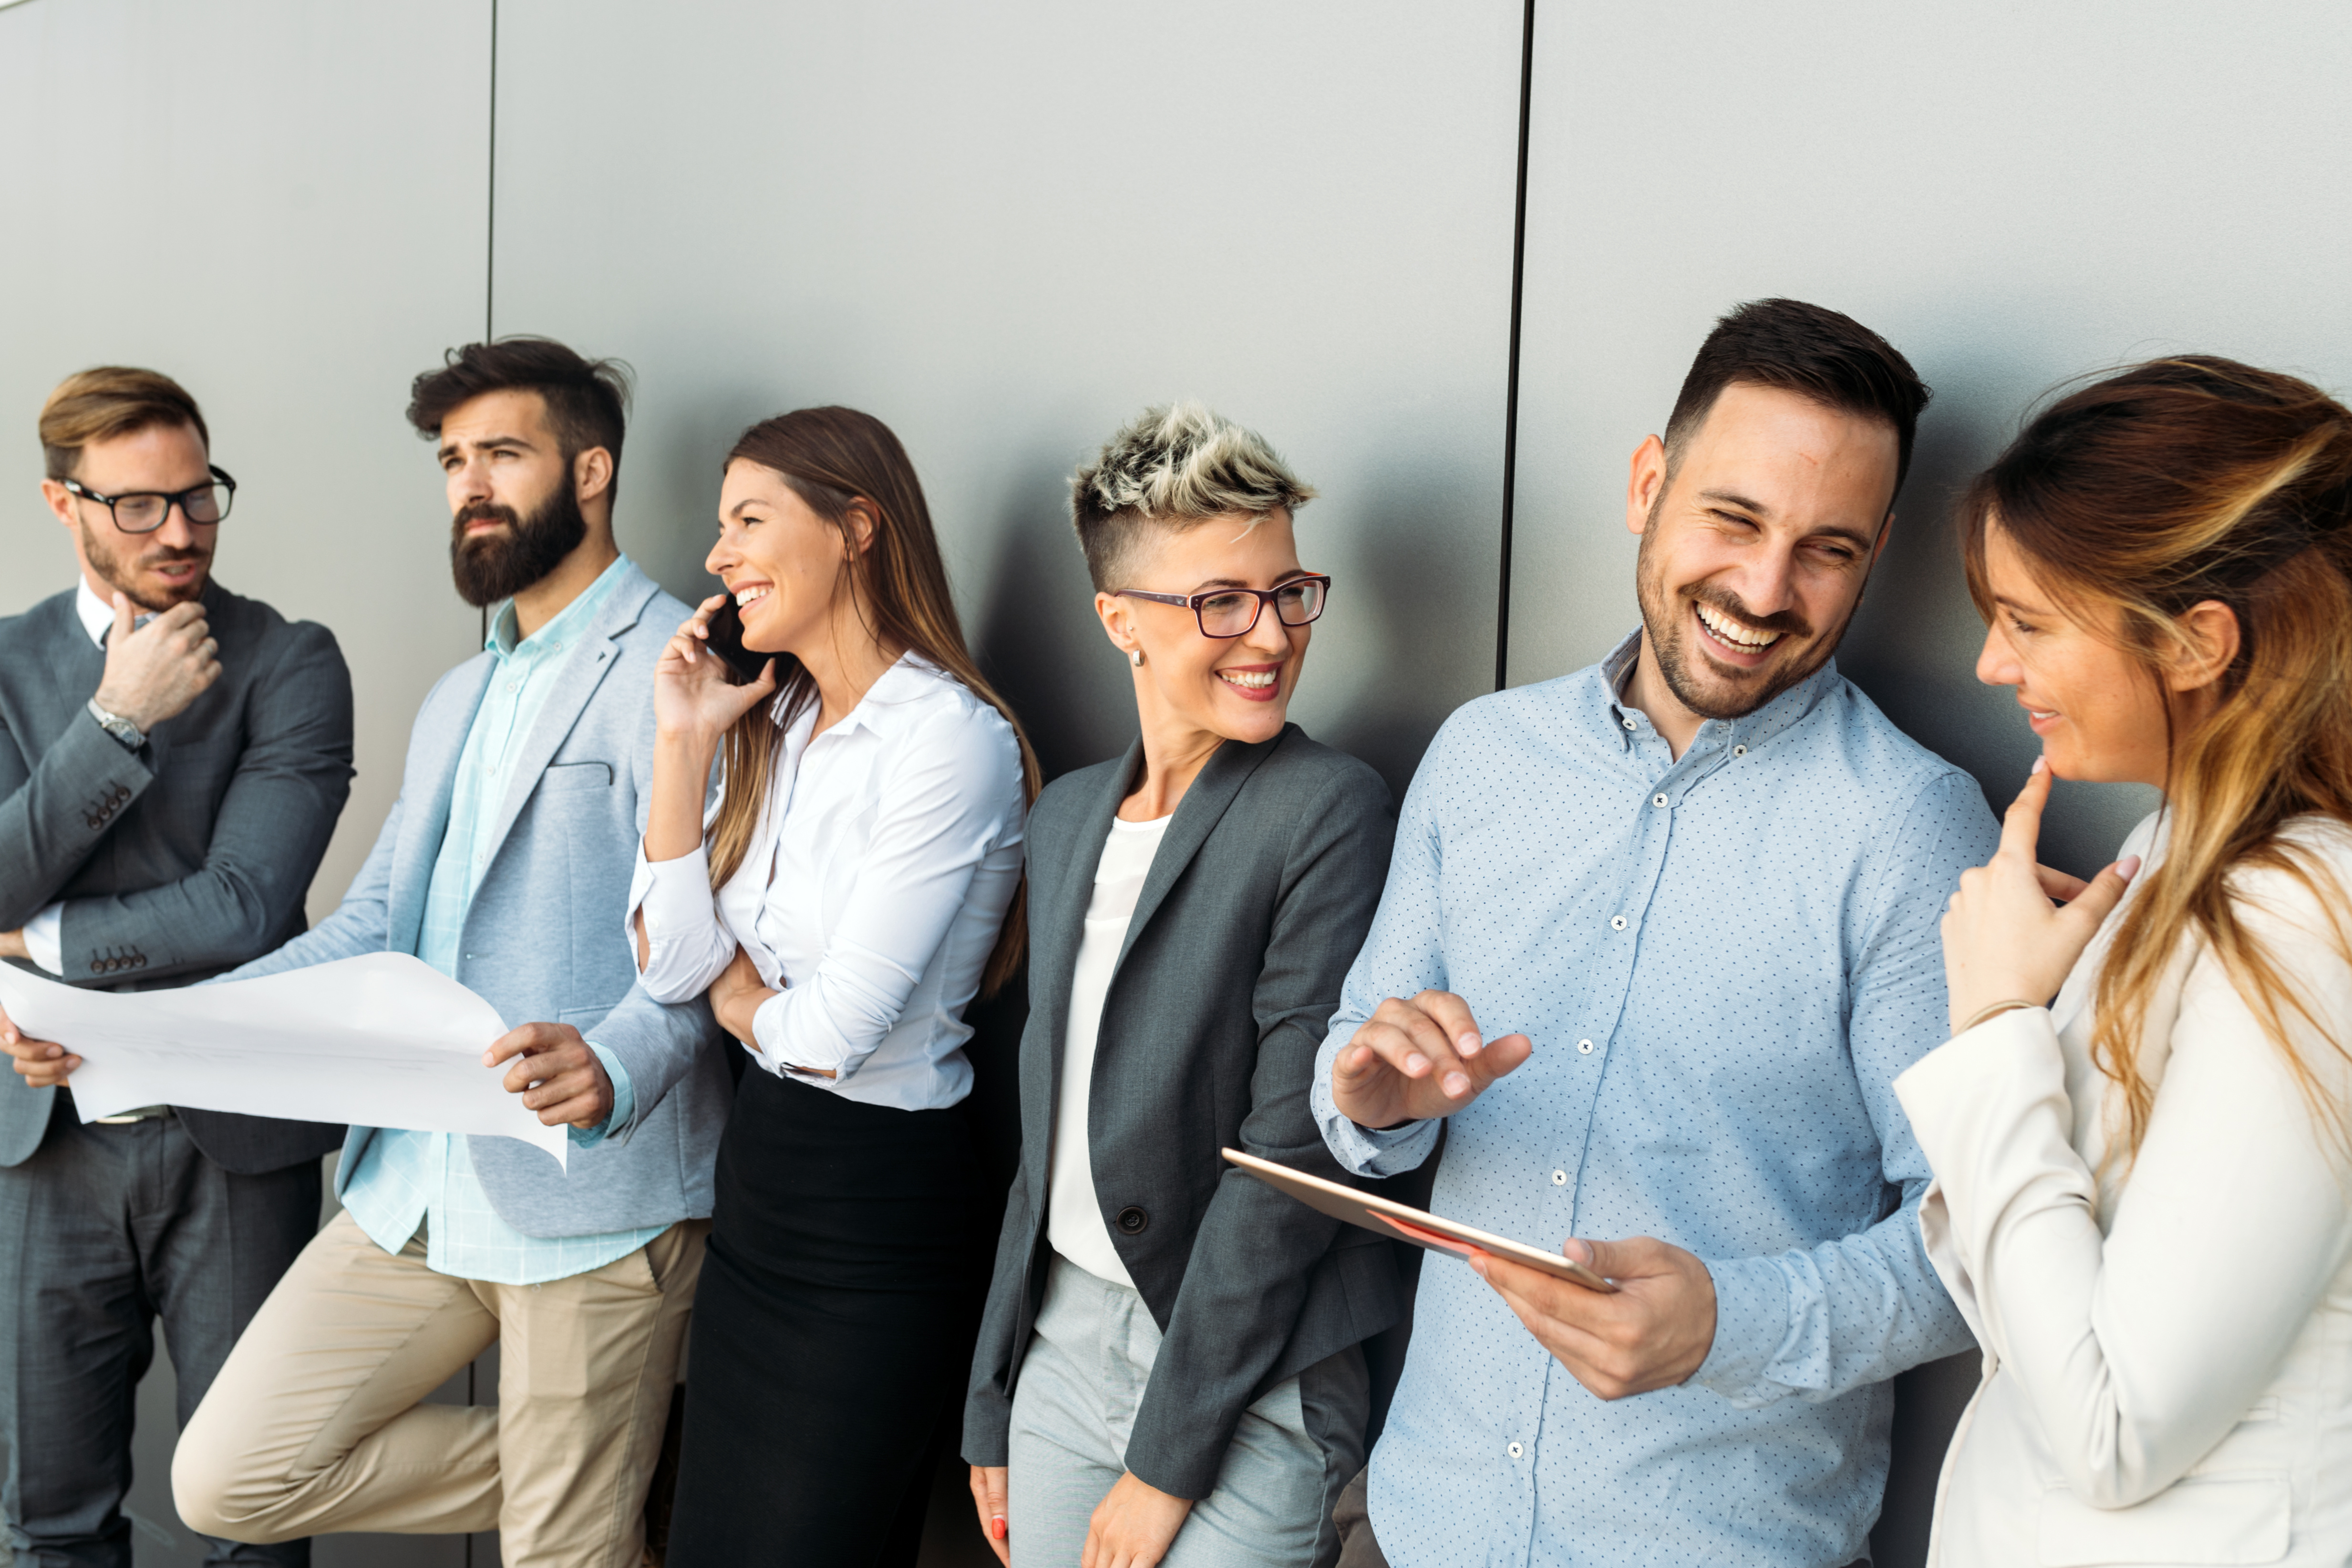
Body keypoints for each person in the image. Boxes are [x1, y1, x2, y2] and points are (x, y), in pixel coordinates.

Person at [1311, 298, 2003, 1567]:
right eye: (1732, 518)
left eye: (1827, 550)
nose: (1761, 588)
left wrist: (1724, 1326)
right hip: (1416, 1526)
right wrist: (1373, 1092)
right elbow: (1357, 1078)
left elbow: (1973, 1242)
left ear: (1876, 554)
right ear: (1647, 481)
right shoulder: (1480, 758)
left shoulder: (1910, 828)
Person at [148, 338, 734, 1568]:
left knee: (557, 1560)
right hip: (416, 1182)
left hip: (592, 1198)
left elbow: (710, 949)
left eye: (502, 454)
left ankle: (592, 1478)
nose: (470, 483)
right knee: (227, 1476)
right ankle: (613, 1462)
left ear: (591, 470)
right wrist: (160, 1032)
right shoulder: (461, 697)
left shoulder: (679, 668)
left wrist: (621, 1068)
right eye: (454, 459)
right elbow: (370, 931)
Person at [1894, 357, 2352, 1565]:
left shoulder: (2301, 920)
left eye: (2029, 623)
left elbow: (2113, 1431)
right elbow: (2017, 1306)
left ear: (2198, 642)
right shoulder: (2171, 856)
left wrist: (1997, 1031)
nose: (1995, 665)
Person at [963, 405, 1403, 1568]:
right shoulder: (1063, 821)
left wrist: (1168, 1460)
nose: (1268, 633)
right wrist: (995, 1395)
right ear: (1121, 622)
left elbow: (1292, 1157)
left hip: (1244, 1370)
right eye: (1219, 601)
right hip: (1061, 1347)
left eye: (1286, 590)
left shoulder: (1326, 808)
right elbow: (1042, 1130)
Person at [633, 406, 1035, 1567]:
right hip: (763, 1188)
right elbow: (669, 960)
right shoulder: (778, 720)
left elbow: (837, 1033)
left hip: (879, 1215)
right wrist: (683, 745)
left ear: (857, 526)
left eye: (749, 520)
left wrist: (741, 1000)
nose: (717, 556)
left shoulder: (948, 740)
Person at [0, 367, 353, 1568]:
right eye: (141, 506)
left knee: (253, 1514)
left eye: (201, 497)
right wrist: (115, 720)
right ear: (66, 505)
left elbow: (244, 907)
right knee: (50, 1519)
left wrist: (33, 950)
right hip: (40, 1141)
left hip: (241, 1138)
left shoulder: (290, 661)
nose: (183, 531)